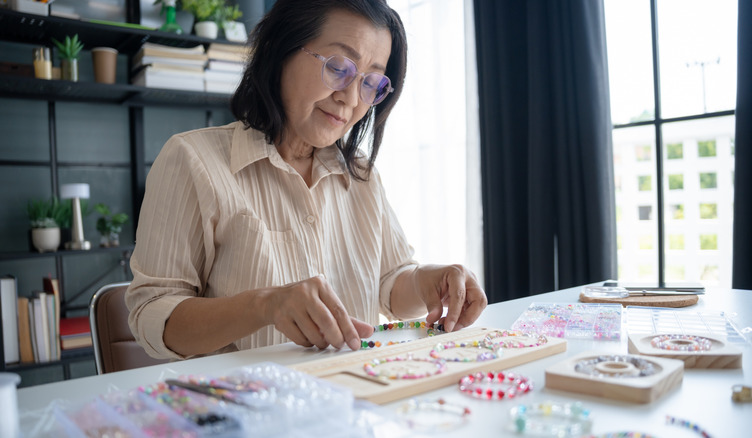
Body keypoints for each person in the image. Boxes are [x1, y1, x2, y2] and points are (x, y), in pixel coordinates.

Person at [125, 0, 487, 360]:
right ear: (279, 49)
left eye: (371, 82)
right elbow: (153, 317)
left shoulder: (361, 176)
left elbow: (390, 285)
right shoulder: (193, 160)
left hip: (355, 394)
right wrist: (264, 306)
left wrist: (429, 281)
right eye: (339, 67)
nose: (349, 98)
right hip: (243, 408)